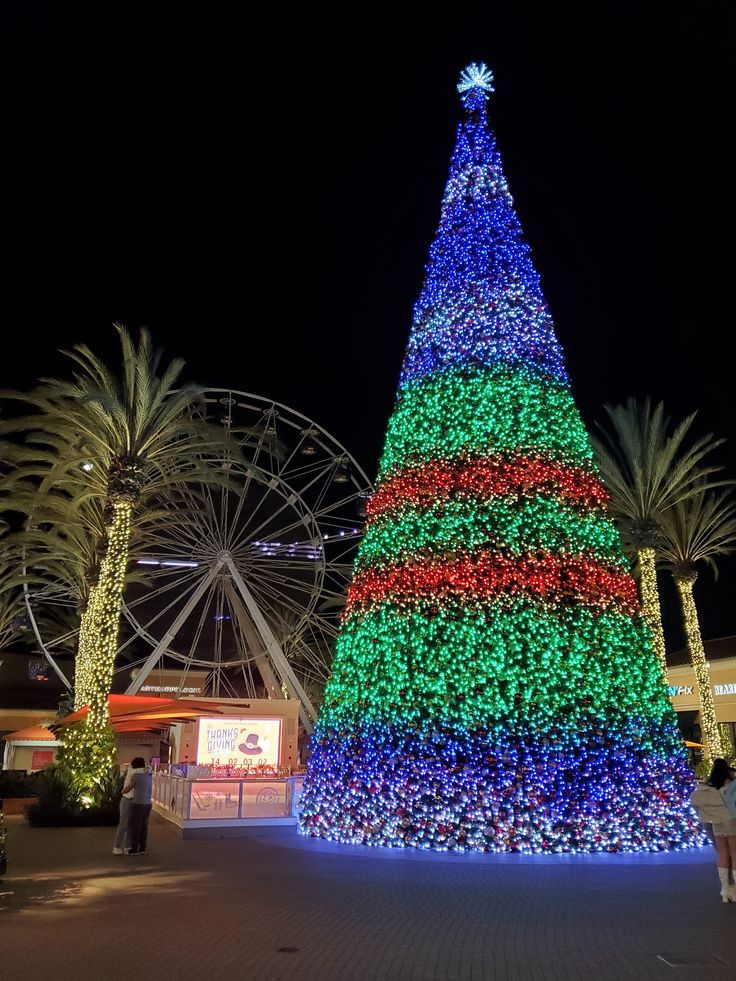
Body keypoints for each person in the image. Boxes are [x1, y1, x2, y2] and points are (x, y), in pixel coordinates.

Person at [690, 757, 736, 903]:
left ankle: (725, 890)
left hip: (715, 822)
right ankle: (735, 888)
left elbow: (696, 802)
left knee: (722, 854)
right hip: (730, 821)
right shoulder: (730, 783)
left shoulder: (708, 784)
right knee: (735, 855)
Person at [112, 759, 146, 855]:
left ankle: (127, 846)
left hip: (132, 800)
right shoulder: (134, 772)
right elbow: (146, 770)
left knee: (130, 824)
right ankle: (117, 846)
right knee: (124, 824)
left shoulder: (133, 771)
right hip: (127, 799)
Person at [126, 757, 153, 856]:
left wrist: (121, 792)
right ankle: (142, 848)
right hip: (148, 803)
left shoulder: (136, 776)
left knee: (136, 826)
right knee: (144, 826)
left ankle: (134, 848)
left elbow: (128, 788)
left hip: (138, 803)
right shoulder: (149, 775)